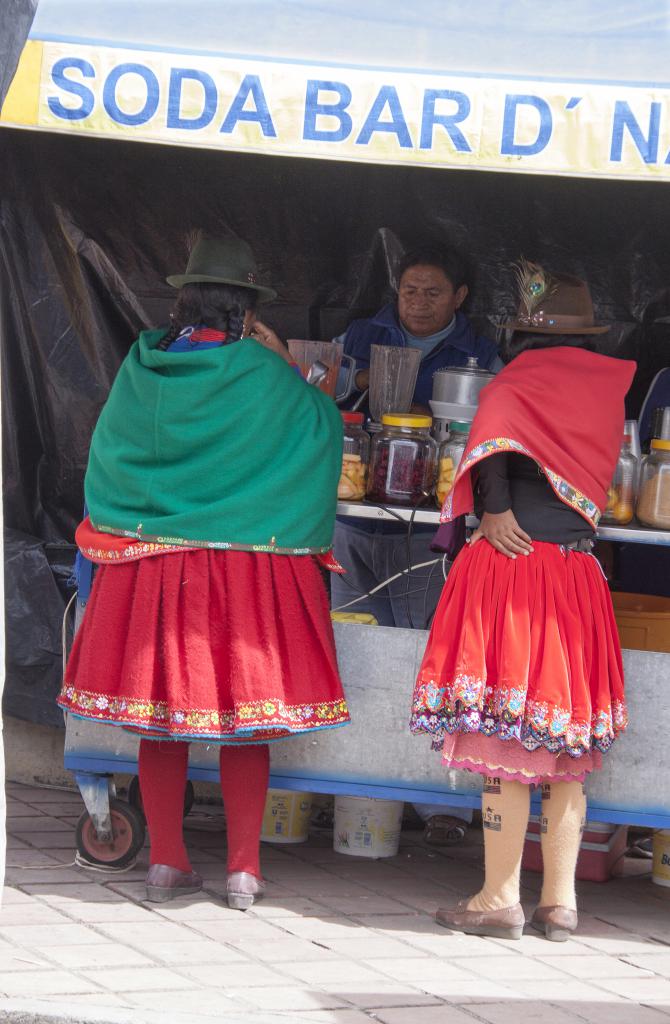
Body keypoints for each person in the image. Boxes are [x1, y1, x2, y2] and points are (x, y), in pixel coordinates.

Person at [59, 237, 350, 908]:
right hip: (244, 569)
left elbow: (107, 456)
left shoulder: (144, 365)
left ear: (183, 300)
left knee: (159, 720)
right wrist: (293, 370)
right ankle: (244, 871)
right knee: (244, 721)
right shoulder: (261, 369)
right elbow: (320, 430)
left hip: (149, 565)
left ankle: (166, 862)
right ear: (247, 311)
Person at [411, 261, 635, 940]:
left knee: (500, 737)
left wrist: (494, 506)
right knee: (564, 745)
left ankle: (497, 897)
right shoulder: (605, 391)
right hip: (574, 574)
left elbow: (492, 442)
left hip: (513, 571)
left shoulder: (518, 380)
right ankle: (560, 903)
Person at [332, 244, 502, 845]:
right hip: (353, 515)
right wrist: (357, 379)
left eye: (433, 292)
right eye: (409, 290)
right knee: (351, 641)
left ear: (459, 297)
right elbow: (334, 395)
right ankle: (351, 779)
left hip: (429, 528)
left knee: (420, 649)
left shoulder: (478, 350)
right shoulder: (363, 332)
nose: (418, 302)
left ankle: (434, 805)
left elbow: (489, 426)